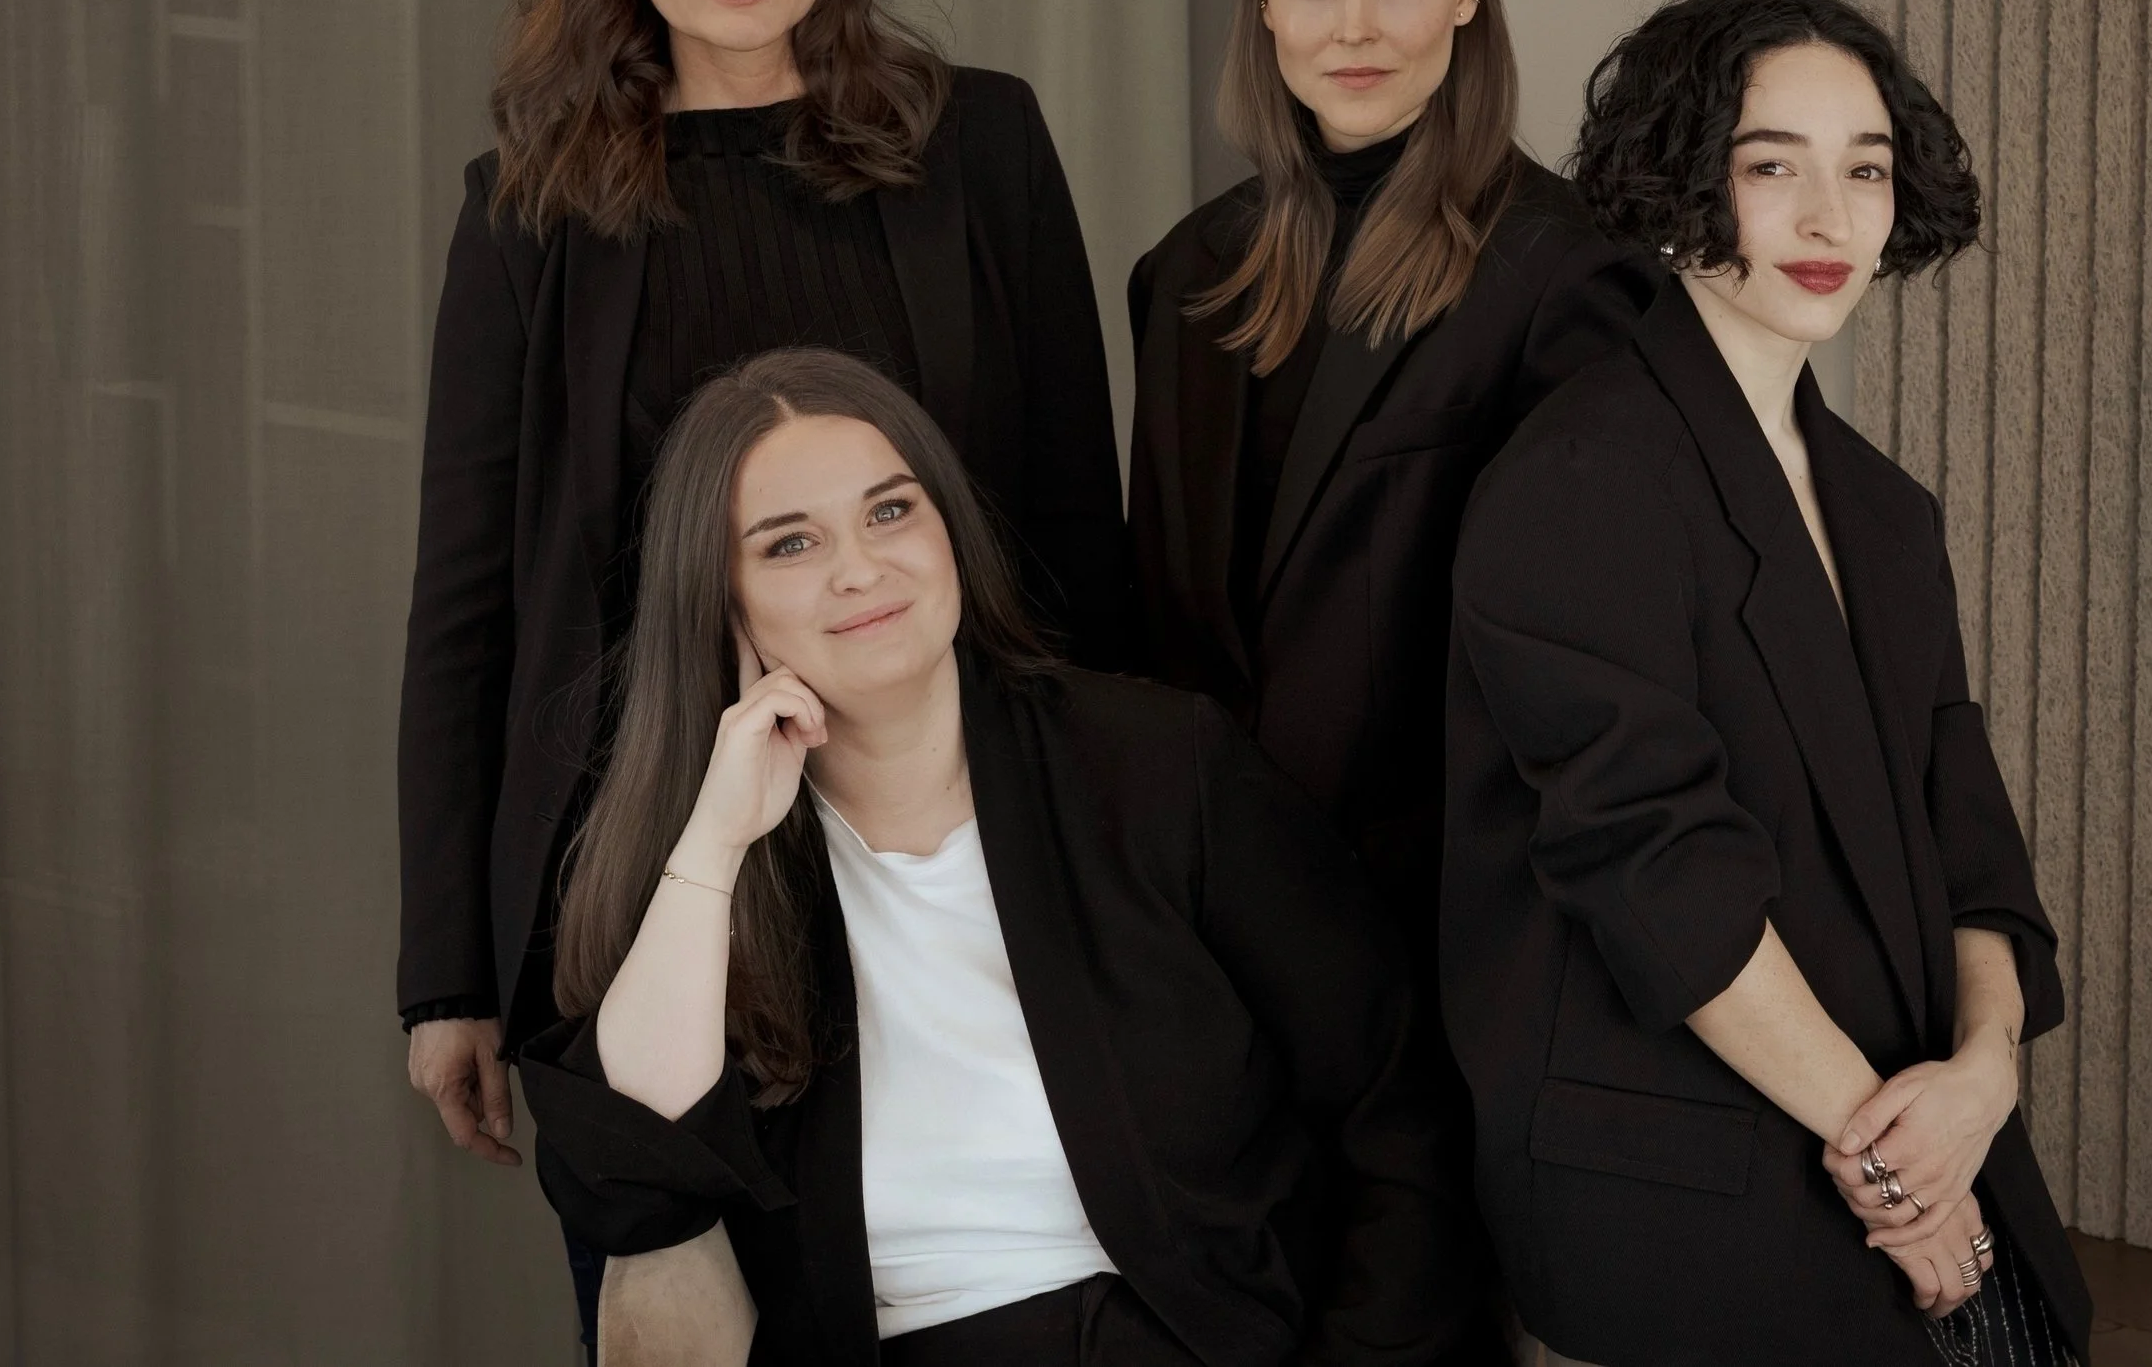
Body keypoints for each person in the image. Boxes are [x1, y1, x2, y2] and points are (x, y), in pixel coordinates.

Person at [396, 0, 1128, 1337]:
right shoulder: (530, 205)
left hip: (953, 865)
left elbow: (1075, 532)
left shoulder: (981, 146)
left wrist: (1120, 876)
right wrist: (448, 970)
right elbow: (468, 603)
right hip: (640, 880)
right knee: (691, 1320)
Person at [523, 348, 1472, 1365]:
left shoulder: (1158, 770)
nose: (860, 569)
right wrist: (716, 841)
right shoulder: (707, 867)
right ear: (722, 602)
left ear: (949, 528)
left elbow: (1390, 1105)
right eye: (790, 543)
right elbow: (637, 1185)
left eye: (891, 511)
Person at [1440, 0, 2091, 1366]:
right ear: (1682, 180)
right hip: (1688, 1165)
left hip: (1908, 1123)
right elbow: (1656, 871)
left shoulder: (1884, 510)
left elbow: (1972, 845)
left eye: (1865, 169)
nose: (1828, 219)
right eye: (1771, 166)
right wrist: (1897, 1164)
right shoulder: (1580, 477)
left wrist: (1983, 1079)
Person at [1125, 0, 1655, 961]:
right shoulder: (1183, 275)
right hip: (1210, 924)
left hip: (1435, 933)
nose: (1353, 29)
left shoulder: (1569, 279)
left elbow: (1585, 670)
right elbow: (1163, 630)